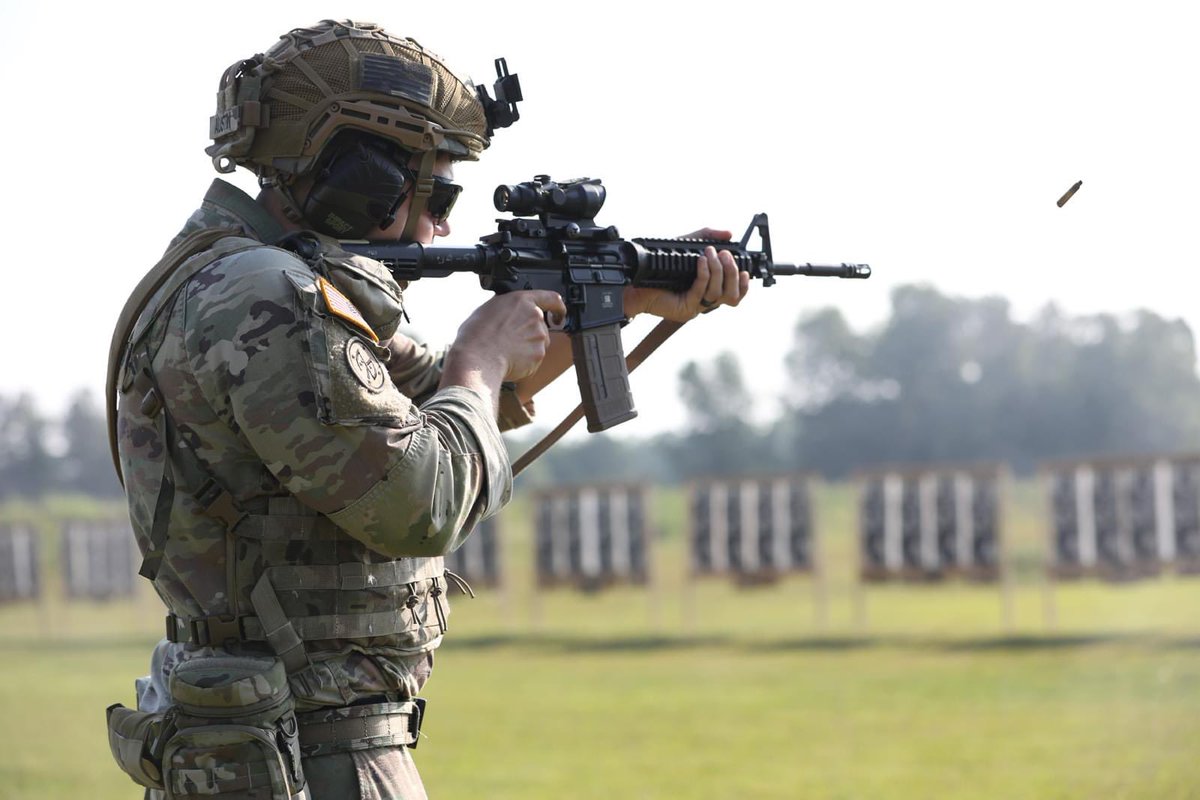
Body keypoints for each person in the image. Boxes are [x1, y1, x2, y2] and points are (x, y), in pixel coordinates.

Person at [104, 19, 747, 800]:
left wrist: (625, 299)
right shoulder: (272, 298)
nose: (443, 224)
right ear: (360, 180)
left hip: (285, 743)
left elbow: (440, 398)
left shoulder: (240, 281)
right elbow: (422, 500)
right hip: (312, 755)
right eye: (436, 193)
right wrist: (483, 355)